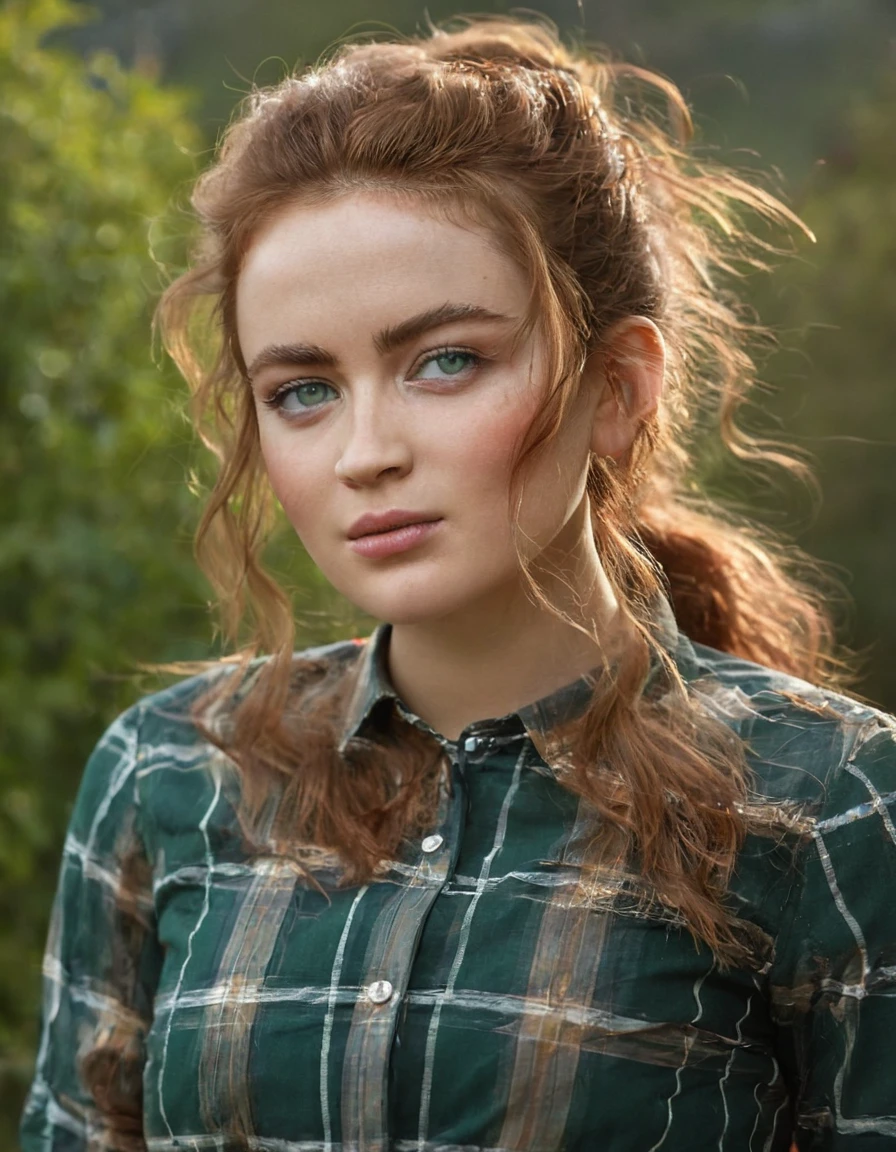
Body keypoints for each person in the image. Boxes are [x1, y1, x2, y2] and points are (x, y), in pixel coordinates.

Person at [20, 15, 896, 1151]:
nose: (363, 450)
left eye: (445, 361)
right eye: (301, 389)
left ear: (617, 387)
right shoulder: (166, 775)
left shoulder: (829, 802)